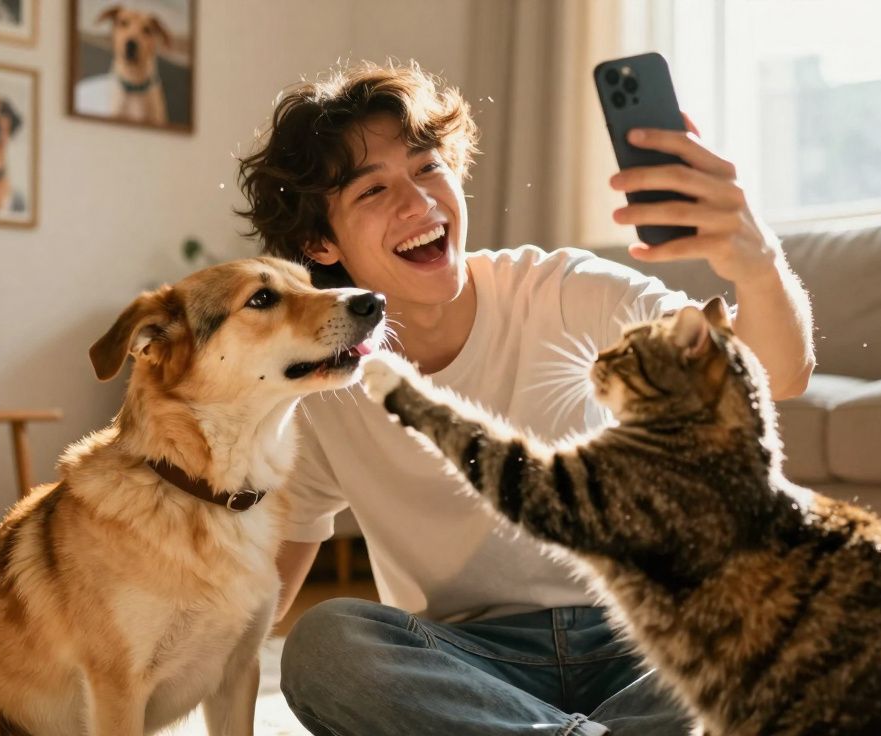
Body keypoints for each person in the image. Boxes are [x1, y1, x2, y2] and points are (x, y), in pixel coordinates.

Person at [236, 60, 814, 736]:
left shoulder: (564, 289)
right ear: (320, 242)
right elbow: (257, 601)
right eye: (373, 191)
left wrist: (757, 262)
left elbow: (776, 376)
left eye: (427, 169)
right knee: (325, 645)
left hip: (644, 636)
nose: (419, 204)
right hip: (471, 666)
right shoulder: (320, 393)